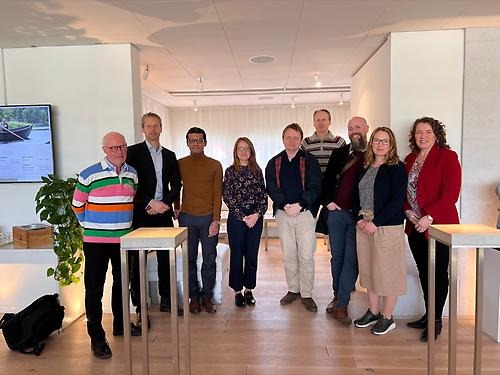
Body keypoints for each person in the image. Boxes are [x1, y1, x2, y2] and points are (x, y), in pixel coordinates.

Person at [72, 132, 138, 359]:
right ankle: (97, 338)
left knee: (121, 285)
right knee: (94, 289)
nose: (119, 151)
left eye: (122, 147)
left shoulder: (132, 174)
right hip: (96, 242)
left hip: (123, 241)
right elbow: (77, 206)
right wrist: (91, 227)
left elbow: (130, 201)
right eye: (114, 148)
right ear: (104, 149)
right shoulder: (89, 174)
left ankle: (120, 325)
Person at [403, 117, 461, 342]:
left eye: (428, 131)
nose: (423, 136)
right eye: (419, 132)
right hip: (414, 225)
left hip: (439, 225)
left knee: (438, 273)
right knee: (424, 271)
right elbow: (403, 192)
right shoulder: (409, 159)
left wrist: (429, 217)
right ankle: (429, 315)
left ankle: (436, 320)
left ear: (436, 134)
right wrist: (407, 212)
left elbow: (451, 193)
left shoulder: (447, 157)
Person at [126, 112, 182, 327]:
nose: (152, 129)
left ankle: (167, 299)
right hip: (142, 213)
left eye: (156, 125)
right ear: (143, 129)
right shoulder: (132, 152)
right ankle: (141, 308)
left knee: (166, 259)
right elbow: (130, 185)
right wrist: (150, 203)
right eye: (148, 126)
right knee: (137, 262)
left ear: (161, 128)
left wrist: (164, 204)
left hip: (163, 213)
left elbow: (176, 184)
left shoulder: (169, 155)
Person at [353, 127, 407, 335]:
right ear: (371, 142)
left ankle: (387, 316)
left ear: (391, 144)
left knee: (387, 273)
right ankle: (374, 311)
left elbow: (397, 200)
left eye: (385, 141)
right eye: (376, 140)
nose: (380, 144)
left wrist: (377, 222)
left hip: (386, 227)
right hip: (364, 225)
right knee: (369, 270)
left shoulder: (396, 168)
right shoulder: (366, 166)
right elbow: (356, 196)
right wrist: (359, 219)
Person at [265, 123, 322, 312]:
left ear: (301, 140)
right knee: (289, 254)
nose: (291, 141)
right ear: (283, 139)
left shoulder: (310, 160)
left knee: (306, 254)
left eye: (295, 137)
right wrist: (284, 204)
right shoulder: (274, 162)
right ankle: (293, 289)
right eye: (288, 137)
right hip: (283, 213)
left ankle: (306, 293)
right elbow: (271, 187)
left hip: (304, 213)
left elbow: (315, 186)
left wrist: (300, 204)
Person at [320, 116, 369, 324]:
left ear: (366, 128)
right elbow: (327, 180)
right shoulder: (340, 152)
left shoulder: (372, 153)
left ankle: (342, 303)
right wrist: (328, 202)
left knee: (352, 259)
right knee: (337, 258)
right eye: (350, 128)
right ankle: (337, 296)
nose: (354, 131)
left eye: (358, 127)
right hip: (336, 214)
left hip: (358, 216)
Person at [176, 127, 223, 314]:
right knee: (189, 259)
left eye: (199, 140)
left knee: (210, 258)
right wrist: (176, 206)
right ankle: (193, 298)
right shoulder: (179, 163)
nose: (196, 143)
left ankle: (207, 297)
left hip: (208, 218)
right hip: (187, 217)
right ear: (187, 143)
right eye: (192, 140)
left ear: (205, 142)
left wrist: (216, 220)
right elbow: (174, 186)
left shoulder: (215, 165)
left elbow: (217, 194)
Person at [222, 137, 268, 308]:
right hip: (236, 218)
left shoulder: (257, 171)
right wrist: (242, 216)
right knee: (236, 254)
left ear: (251, 151)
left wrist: (256, 214)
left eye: (247, 148)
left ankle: (249, 289)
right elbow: (227, 196)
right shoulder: (230, 171)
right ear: (235, 151)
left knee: (251, 254)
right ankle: (237, 291)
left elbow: (263, 196)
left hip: (255, 218)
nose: (243, 152)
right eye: (240, 148)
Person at [301, 109, 346, 175]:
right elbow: (303, 167)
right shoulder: (305, 142)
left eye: (324, 120)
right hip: (312, 184)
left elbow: (344, 166)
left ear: (330, 122)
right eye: (318, 120)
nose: (321, 123)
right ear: (314, 123)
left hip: (333, 184)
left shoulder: (340, 141)